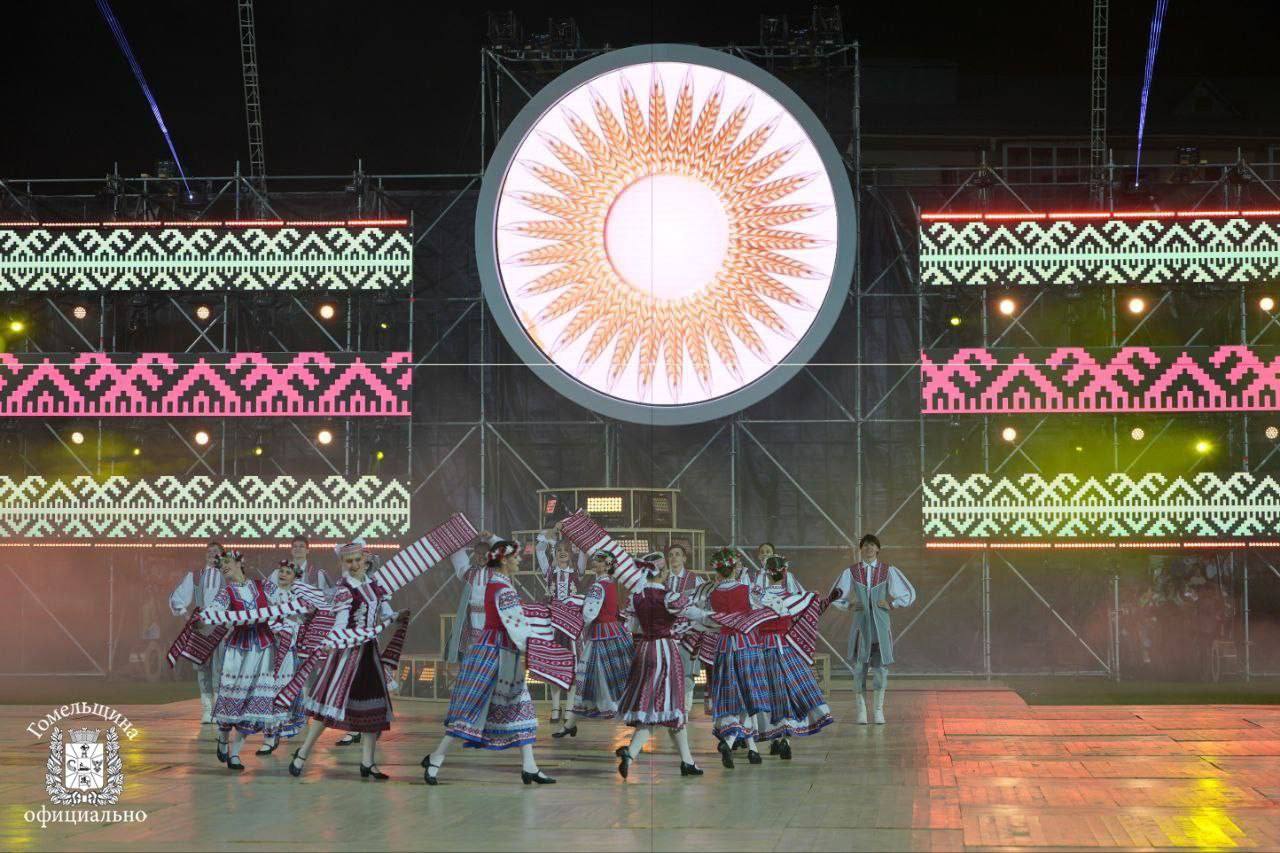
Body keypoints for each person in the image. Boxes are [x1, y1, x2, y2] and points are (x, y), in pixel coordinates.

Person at [422, 541, 556, 785]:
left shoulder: (496, 584)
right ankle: (436, 757)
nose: (519, 560)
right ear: (504, 560)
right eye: (515, 557)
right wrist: (541, 650)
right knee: (475, 707)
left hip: (493, 649)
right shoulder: (503, 589)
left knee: (517, 704)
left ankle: (530, 766)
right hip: (498, 653)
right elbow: (517, 628)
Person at [288, 540, 409, 780]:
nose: (353, 565)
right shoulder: (345, 590)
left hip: (369, 654)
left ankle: (368, 762)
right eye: (348, 561)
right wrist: (333, 641)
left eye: (357, 560)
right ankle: (302, 753)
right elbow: (341, 624)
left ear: (365, 559)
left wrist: (397, 616)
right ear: (342, 563)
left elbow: (385, 614)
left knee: (374, 708)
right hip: (348, 653)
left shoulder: (375, 587)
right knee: (329, 706)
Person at [614, 559, 708, 779]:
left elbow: (631, 626)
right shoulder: (668, 596)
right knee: (665, 705)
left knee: (664, 708)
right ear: (663, 573)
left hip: (644, 649)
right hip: (664, 650)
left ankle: (687, 762)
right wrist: (719, 618)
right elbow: (696, 614)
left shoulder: (636, 597)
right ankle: (633, 753)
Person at [206, 551, 288, 772]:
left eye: (227, 562)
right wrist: (205, 618)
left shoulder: (262, 585)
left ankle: (234, 754)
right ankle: (223, 738)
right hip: (238, 650)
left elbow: (284, 599)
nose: (223, 566)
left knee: (253, 703)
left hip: (263, 650)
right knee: (231, 697)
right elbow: (214, 610)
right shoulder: (226, 592)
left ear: (239, 562)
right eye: (220, 565)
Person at [830, 534, 916, 725]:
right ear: (861, 549)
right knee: (859, 667)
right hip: (861, 625)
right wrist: (848, 605)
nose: (869, 548)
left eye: (872, 545)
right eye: (865, 545)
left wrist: (892, 604)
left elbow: (908, 593)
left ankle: (878, 710)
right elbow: (835, 595)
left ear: (878, 549)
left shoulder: (887, 570)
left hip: (880, 626)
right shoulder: (852, 571)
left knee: (880, 668)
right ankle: (861, 711)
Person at [755, 555, 833, 758]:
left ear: (766, 574)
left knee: (768, 693)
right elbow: (811, 610)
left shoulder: (757, 598)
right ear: (784, 573)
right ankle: (785, 739)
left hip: (761, 649)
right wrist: (825, 599)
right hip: (785, 647)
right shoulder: (794, 597)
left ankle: (775, 739)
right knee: (787, 692)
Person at [705, 546, 775, 769]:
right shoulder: (747, 589)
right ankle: (735, 743)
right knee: (749, 696)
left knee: (735, 696)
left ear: (717, 571)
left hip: (724, 647)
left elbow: (708, 621)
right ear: (735, 568)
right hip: (747, 645)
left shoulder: (712, 594)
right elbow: (769, 604)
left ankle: (751, 748)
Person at [553, 548, 634, 737]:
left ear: (606, 565)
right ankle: (571, 724)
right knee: (607, 678)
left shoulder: (598, 587)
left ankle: (633, 717)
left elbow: (589, 614)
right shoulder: (610, 584)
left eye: (598, 560)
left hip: (602, 635)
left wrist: (576, 607)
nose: (594, 562)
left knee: (594, 679)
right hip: (614, 633)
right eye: (595, 559)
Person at [256, 560, 326, 756]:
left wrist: (285, 627)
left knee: (280, 692)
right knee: (267, 692)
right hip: (268, 648)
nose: (283, 574)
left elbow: (302, 620)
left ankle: (274, 733)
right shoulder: (269, 594)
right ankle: (269, 736)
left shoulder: (299, 599)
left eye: (288, 572)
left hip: (287, 651)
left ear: (295, 577)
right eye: (281, 571)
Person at [168, 541, 226, 724]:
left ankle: (218, 710)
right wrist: (186, 615)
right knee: (202, 667)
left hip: (222, 627)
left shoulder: (228, 575)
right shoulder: (195, 576)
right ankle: (207, 709)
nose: (211, 553)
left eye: (216, 551)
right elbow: (178, 597)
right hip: (201, 627)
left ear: (222, 555)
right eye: (209, 551)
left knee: (220, 667)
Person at [536, 521, 584, 724]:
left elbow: (584, 548)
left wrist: (580, 525)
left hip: (571, 627)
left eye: (566, 550)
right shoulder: (549, 571)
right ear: (554, 553)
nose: (562, 552)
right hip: (554, 625)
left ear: (571, 554)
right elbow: (540, 549)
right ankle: (555, 708)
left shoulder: (577, 570)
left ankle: (570, 707)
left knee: (572, 667)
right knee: (554, 667)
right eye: (559, 550)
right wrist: (552, 532)